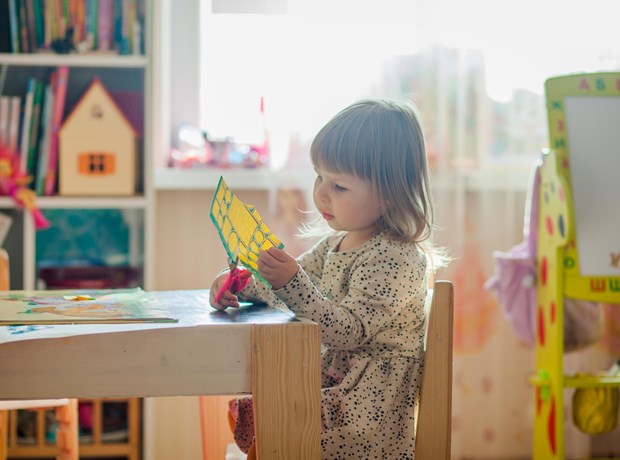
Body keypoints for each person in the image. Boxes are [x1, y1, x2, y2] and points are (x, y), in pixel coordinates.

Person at [210, 99, 446, 459]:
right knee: (267, 406)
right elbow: (290, 290)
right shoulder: (334, 243)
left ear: (388, 194)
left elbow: (347, 330)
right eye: (320, 176)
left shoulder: (397, 257)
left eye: (339, 186)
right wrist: (241, 285)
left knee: (279, 417)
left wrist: (289, 281)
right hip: (335, 387)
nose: (320, 192)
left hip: (365, 413)